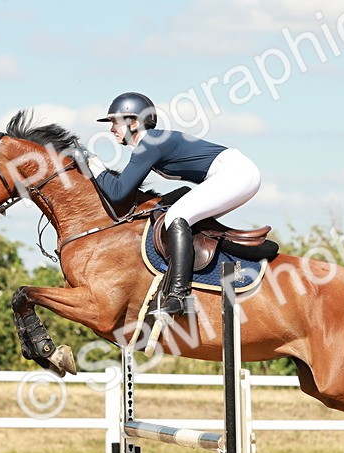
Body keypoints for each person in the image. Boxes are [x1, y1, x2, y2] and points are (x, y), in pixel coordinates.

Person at [93, 92, 261, 317]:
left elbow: (118, 192)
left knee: (177, 216)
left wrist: (93, 165)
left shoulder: (149, 143)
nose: (112, 129)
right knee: (179, 213)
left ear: (133, 122)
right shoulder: (151, 143)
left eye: (115, 122)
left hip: (236, 173)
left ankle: (179, 296)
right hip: (235, 173)